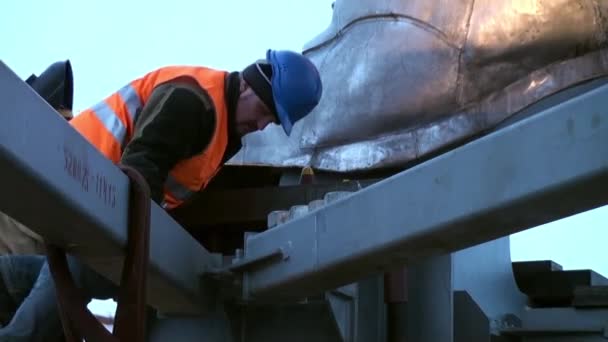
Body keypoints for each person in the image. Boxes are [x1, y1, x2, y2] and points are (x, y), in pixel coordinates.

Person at [0, 49, 323, 341]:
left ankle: (8, 277)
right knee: (40, 325)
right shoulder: (192, 100)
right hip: (67, 191)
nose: (263, 124)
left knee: (96, 279)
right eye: (265, 110)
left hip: (88, 205)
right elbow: (141, 168)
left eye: (273, 121)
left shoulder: (222, 125)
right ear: (247, 85)